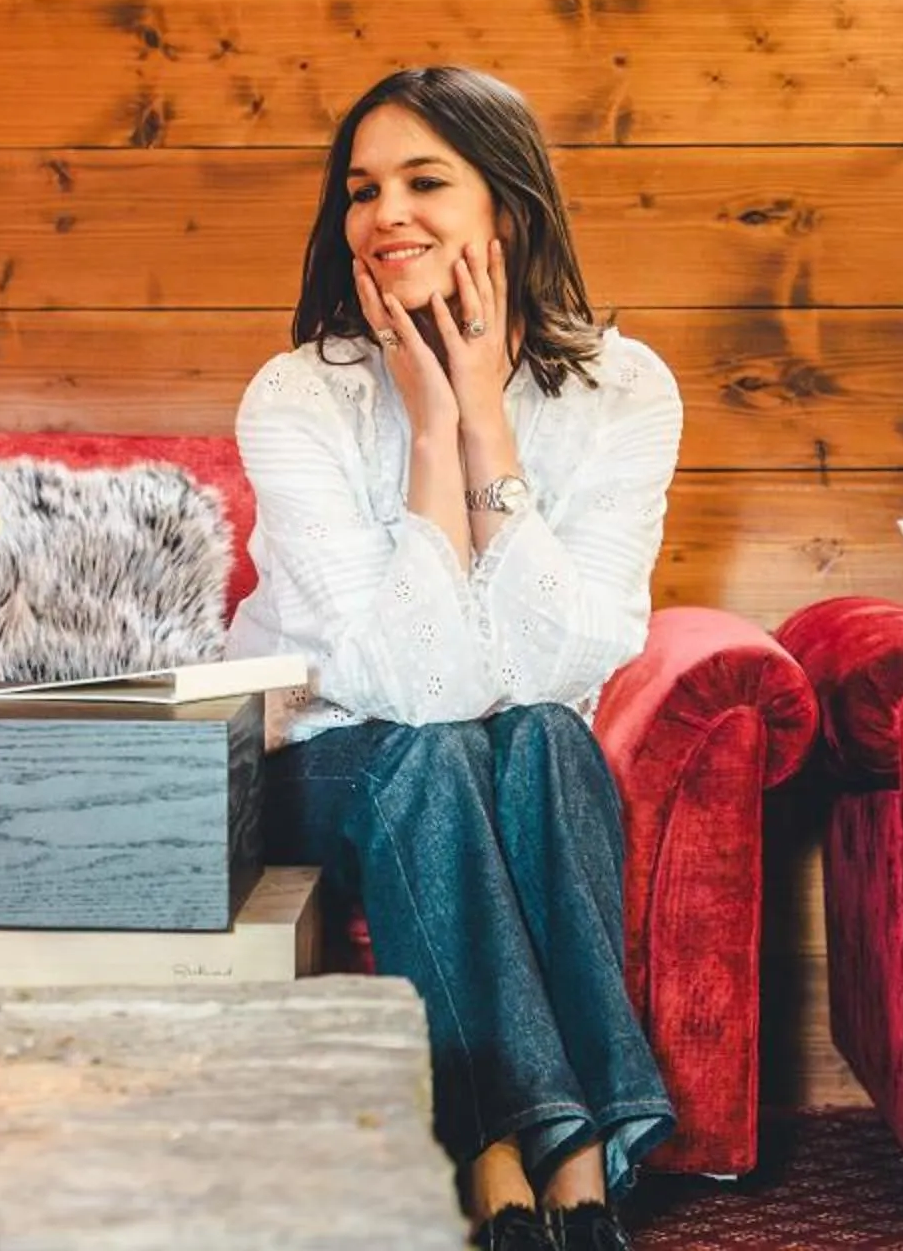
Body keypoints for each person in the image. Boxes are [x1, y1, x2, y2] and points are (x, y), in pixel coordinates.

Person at [226, 67, 680, 1251]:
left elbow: (559, 658)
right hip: (319, 757)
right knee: (433, 753)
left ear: (509, 210)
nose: (386, 215)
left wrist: (489, 418)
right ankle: (567, 1152)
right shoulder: (297, 395)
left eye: (426, 180)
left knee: (540, 735)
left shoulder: (625, 388)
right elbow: (412, 686)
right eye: (363, 188)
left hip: (512, 759)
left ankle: (514, 1170)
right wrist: (435, 427)